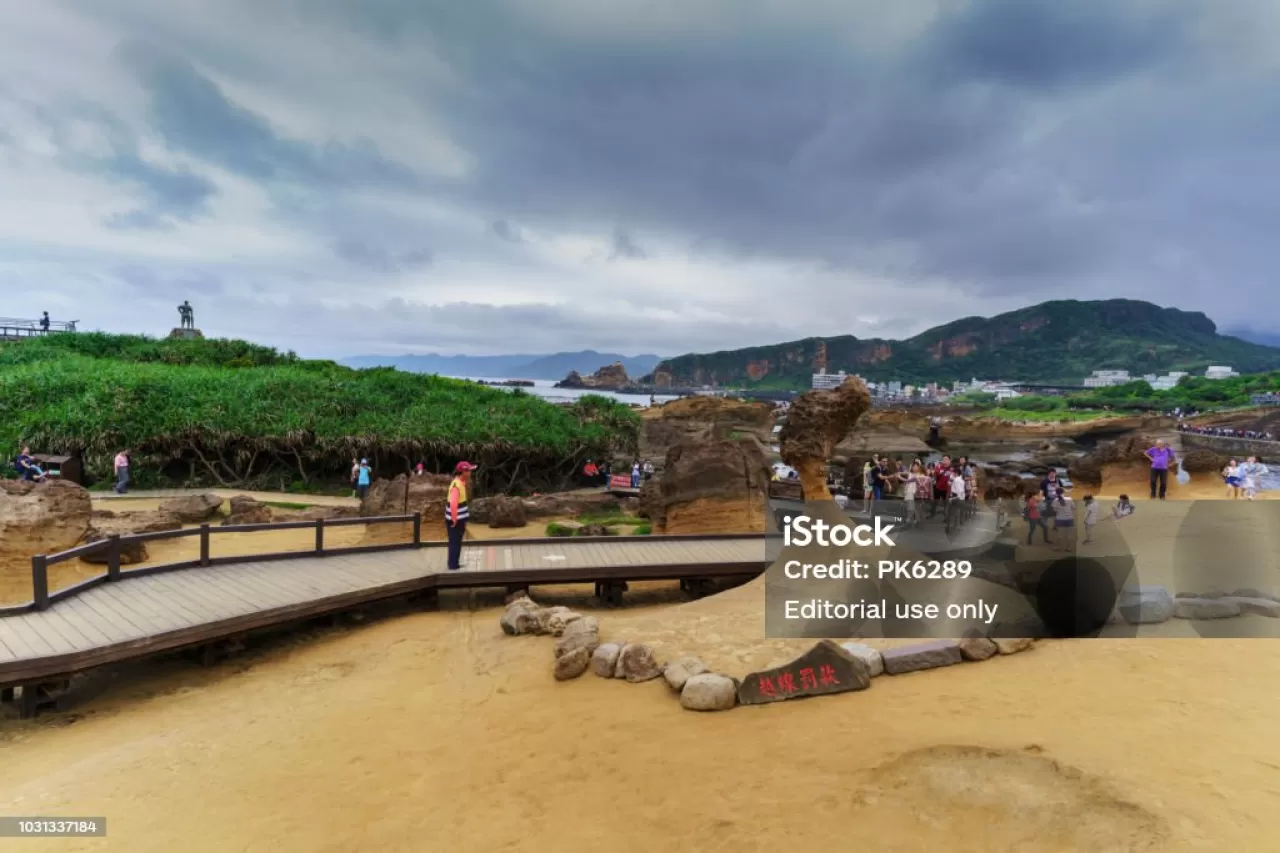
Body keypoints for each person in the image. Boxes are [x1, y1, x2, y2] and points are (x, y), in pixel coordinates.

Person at [446, 461, 476, 570]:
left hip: (459, 519)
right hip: (455, 520)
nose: (470, 473)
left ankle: (455, 563)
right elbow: (453, 503)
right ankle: (453, 565)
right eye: (469, 471)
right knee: (455, 542)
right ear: (463, 472)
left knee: (457, 542)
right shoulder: (456, 485)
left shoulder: (461, 483)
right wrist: (454, 519)